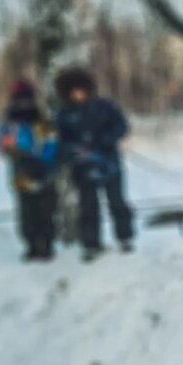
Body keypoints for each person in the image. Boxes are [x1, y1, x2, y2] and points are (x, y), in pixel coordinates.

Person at [54, 67, 135, 262]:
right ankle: (91, 244)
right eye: (74, 91)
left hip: (109, 164)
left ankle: (125, 237)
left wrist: (107, 138)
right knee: (88, 207)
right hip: (83, 168)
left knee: (117, 202)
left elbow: (122, 126)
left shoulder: (104, 106)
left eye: (81, 90)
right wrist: (72, 151)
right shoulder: (64, 114)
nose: (78, 94)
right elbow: (61, 141)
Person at [0, 80, 59, 261]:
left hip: (44, 171)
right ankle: (31, 245)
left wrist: (44, 163)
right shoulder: (9, 122)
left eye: (26, 99)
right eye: (19, 100)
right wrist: (7, 146)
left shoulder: (41, 119)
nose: (23, 103)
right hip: (20, 172)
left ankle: (46, 244)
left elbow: (51, 144)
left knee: (46, 210)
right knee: (26, 211)